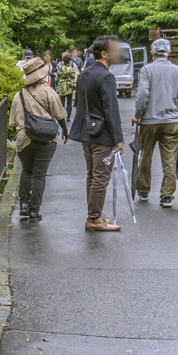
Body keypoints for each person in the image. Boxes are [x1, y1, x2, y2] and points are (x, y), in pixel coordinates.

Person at [68, 35, 125, 232]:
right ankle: (94, 218)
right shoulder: (106, 76)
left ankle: (96, 214)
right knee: (101, 177)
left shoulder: (85, 73)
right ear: (104, 53)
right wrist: (118, 139)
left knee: (92, 176)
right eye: (115, 49)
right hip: (102, 135)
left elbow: (79, 104)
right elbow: (111, 110)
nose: (118, 53)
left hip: (86, 132)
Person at [132, 37, 178, 207]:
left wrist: (138, 114)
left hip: (149, 121)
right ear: (169, 52)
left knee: (145, 156)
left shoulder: (146, 70)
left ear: (152, 52)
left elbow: (143, 95)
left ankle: (143, 190)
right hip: (171, 121)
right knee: (169, 159)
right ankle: (166, 195)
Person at [9, 55, 68, 221]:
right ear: (42, 75)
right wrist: (65, 131)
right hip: (46, 139)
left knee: (26, 170)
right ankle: (34, 211)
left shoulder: (18, 96)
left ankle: (23, 205)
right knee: (39, 174)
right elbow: (60, 115)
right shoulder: (48, 92)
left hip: (24, 138)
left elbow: (13, 122)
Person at [55, 52, 79, 117]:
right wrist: (74, 88)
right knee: (69, 103)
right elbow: (73, 79)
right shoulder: (71, 69)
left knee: (62, 103)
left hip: (61, 86)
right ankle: (68, 116)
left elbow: (56, 79)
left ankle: (62, 115)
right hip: (69, 87)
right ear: (69, 61)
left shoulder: (60, 69)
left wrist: (58, 84)